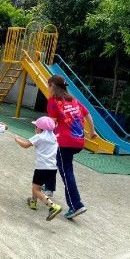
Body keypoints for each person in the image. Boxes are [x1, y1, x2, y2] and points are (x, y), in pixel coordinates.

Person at [47, 75, 98, 219]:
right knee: (54, 158)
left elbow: (52, 123)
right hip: (78, 141)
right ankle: (49, 187)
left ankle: (76, 205)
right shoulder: (73, 100)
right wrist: (92, 131)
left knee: (66, 171)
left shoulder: (53, 101)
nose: (47, 88)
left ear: (52, 86)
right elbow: (88, 115)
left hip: (65, 142)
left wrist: (41, 131)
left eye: (48, 85)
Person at [14, 116, 62, 221]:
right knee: (37, 186)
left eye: (36, 126)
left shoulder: (39, 136)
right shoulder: (53, 137)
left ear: (40, 129)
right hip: (52, 168)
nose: (35, 128)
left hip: (42, 168)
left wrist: (17, 139)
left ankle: (53, 206)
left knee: (36, 189)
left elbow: (26, 145)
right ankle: (33, 202)